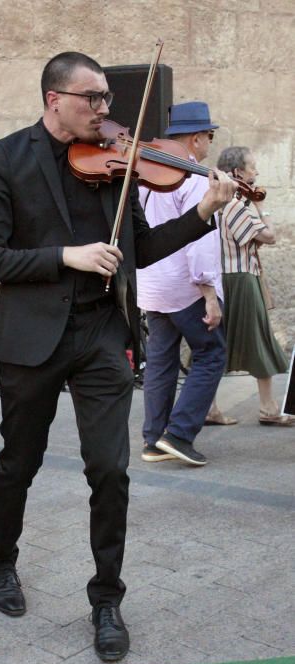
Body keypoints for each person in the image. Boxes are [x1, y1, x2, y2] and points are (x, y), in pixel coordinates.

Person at [0, 53, 237, 663]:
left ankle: (107, 600)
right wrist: (68, 256)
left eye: (108, 101)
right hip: (32, 339)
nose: (105, 112)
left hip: (99, 333)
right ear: (53, 99)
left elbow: (141, 248)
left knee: (110, 470)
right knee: (19, 460)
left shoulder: (115, 167)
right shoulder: (5, 158)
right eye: (93, 99)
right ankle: (1, 562)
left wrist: (202, 212)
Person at [137, 102, 233, 468]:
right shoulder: (195, 179)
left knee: (161, 362)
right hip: (185, 287)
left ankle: (152, 439)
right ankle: (178, 434)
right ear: (195, 138)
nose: (210, 142)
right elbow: (200, 240)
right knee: (211, 355)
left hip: (153, 286)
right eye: (209, 135)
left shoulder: (148, 177)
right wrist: (210, 294)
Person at [217, 146, 294, 426]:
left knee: (217, 345)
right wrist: (263, 208)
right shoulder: (235, 205)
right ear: (238, 172)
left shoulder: (221, 201)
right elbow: (270, 236)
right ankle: (268, 407)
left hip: (229, 277)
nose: (257, 172)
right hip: (240, 278)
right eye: (252, 167)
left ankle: (210, 407)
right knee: (259, 338)